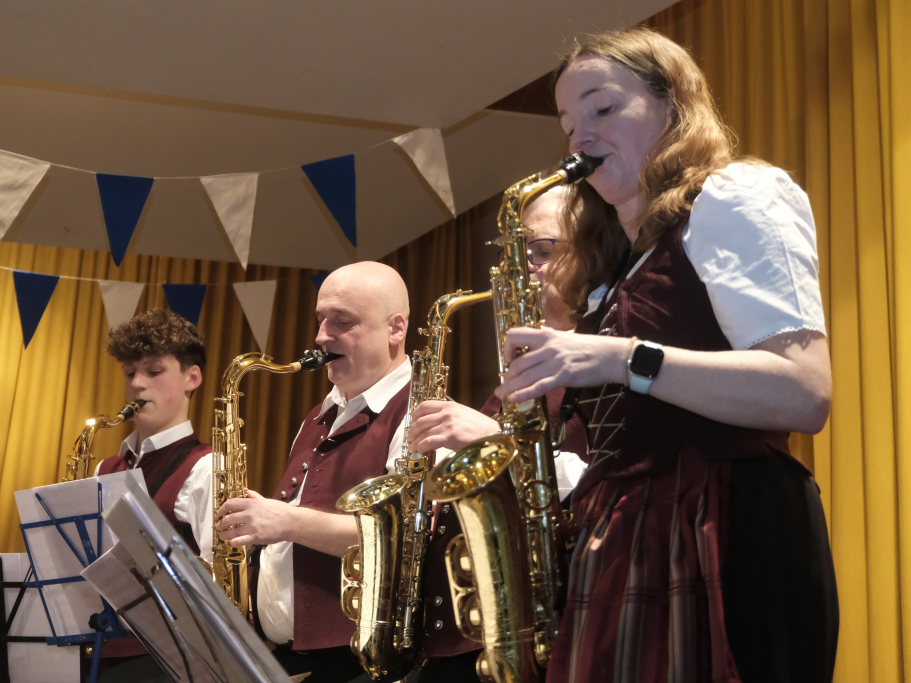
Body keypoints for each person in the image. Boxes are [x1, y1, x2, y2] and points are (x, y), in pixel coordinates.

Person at [493, 27, 839, 683]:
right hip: (627, 544)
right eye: (567, 125)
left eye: (601, 108)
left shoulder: (733, 197)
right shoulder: (615, 268)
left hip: (720, 530)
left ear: (673, 104)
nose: (580, 138)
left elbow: (802, 391)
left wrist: (622, 359)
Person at [404, 185, 588, 683]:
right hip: (489, 629)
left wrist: (492, 440)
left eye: (542, 250)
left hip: (564, 624)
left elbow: (605, 481)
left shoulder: (606, 357)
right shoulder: (521, 370)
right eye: (519, 252)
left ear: (594, 253)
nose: (525, 266)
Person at [215, 261, 412, 683]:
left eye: (343, 321)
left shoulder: (419, 412)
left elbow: (406, 543)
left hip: (362, 664)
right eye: (321, 320)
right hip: (290, 659)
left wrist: (285, 521)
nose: (322, 336)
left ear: (395, 329)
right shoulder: (319, 414)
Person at [95, 308, 212, 679]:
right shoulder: (105, 468)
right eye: (130, 372)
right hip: (101, 651)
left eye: (154, 371)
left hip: (170, 662)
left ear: (192, 377)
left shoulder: (207, 466)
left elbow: (218, 585)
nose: (137, 384)